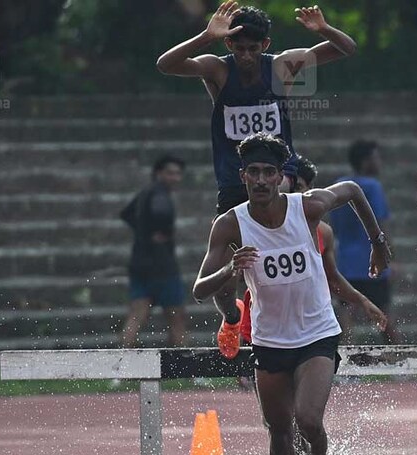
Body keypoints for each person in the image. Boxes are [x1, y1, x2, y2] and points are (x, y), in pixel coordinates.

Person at [191, 133, 391, 455]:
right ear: (243, 177)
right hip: (270, 341)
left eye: (269, 173)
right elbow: (200, 288)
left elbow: (354, 190)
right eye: (253, 173)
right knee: (279, 432)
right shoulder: (231, 224)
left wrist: (377, 241)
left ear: (281, 177)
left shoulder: (308, 209)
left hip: (318, 333)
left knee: (309, 420)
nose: (261, 180)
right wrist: (231, 267)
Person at [157, 2, 357, 360]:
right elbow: (165, 65)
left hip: (281, 174)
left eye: (253, 48)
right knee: (226, 267)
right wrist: (206, 36)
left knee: (297, 248)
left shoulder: (279, 67)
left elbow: (347, 49)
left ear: (265, 45)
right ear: (229, 46)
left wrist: (323, 29)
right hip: (237, 180)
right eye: (239, 48)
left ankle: (304, 324)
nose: (246, 56)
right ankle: (233, 317)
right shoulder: (218, 70)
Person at [295, 155, 387, 332]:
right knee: (349, 324)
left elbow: (332, 277)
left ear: (310, 191)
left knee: (355, 323)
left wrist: (363, 301)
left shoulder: (323, 231)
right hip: (276, 323)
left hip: (348, 263)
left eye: (298, 188)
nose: (291, 196)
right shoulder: (265, 226)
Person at [330, 139, 403, 343]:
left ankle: (344, 365)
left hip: (345, 263)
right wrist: (391, 258)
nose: (379, 163)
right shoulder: (373, 186)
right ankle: (398, 361)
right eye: (376, 158)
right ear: (365, 162)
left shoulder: (339, 186)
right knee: (384, 317)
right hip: (373, 262)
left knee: (346, 320)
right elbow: (381, 226)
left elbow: (334, 226)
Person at [119, 155, 188, 349]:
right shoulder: (160, 194)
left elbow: (126, 213)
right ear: (159, 174)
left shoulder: (145, 192)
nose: (175, 178)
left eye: (178, 174)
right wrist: (162, 232)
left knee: (137, 315)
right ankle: (184, 367)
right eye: (170, 173)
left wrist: (143, 232)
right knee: (177, 318)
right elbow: (161, 213)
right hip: (162, 265)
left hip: (139, 263)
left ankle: (123, 369)